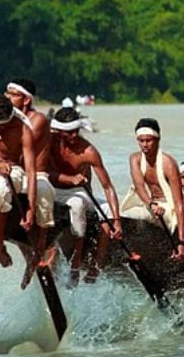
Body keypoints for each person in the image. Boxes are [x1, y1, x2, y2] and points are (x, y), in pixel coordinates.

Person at [46, 107, 127, 285]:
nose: (74, 135)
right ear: (58, 130)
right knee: (77, 204)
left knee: (106, 212)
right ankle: (74, 263)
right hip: (53, 190)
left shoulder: (89, 151)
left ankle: (96, 265)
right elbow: (40, 171)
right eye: (69, 132)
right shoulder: (48, 143)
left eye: (76, 131)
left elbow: (108, 187)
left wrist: (117, 220)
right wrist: (70, 178)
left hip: (79, 191)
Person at [0, 94, 47, 267]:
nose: (2, 128)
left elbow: (30, 169)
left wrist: (29, 208)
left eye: (6, 124)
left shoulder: (23, 129)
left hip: (12, 168)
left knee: (2, 188)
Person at [121, 119, 184, 239]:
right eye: (141, 141)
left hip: (167, 209)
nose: (144, 145)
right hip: (150, 205)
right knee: (122, 215)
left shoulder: (168, 164)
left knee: (134, 216)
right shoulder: (135, 159)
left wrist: (182, 241)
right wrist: (151, 204)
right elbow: (139, 187)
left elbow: (179, 203)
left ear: (157, 139)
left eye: (148, 140)